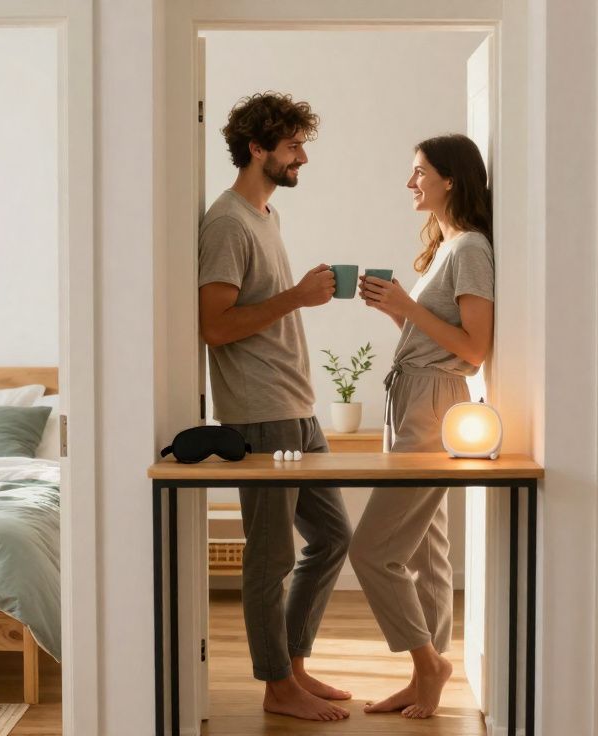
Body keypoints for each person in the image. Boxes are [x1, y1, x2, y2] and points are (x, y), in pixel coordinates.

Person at [197, 92, 353, 722]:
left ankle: (293, 665)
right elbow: (214, 326)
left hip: (296, 408)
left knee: (333, 537)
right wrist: (296, 297)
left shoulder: (266, 215)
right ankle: (276, 685)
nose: (302, 158)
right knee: (271, 557)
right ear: (256, 148)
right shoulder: (227, 223)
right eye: (292, 146)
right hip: (260, 414)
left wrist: (297, 294)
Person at [349, 133, 495, 719]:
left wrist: (408, 308)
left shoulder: (471, 249)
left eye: (419, 172)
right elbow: (437, 339)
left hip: (432, 402)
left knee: (372, 551)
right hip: (412, 394)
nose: (410, 182)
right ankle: (424, 675)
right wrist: (398, 314)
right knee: (427, 551)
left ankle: (428, 664)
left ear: (450, 179)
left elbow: (474, 350)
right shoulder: (446, 246)